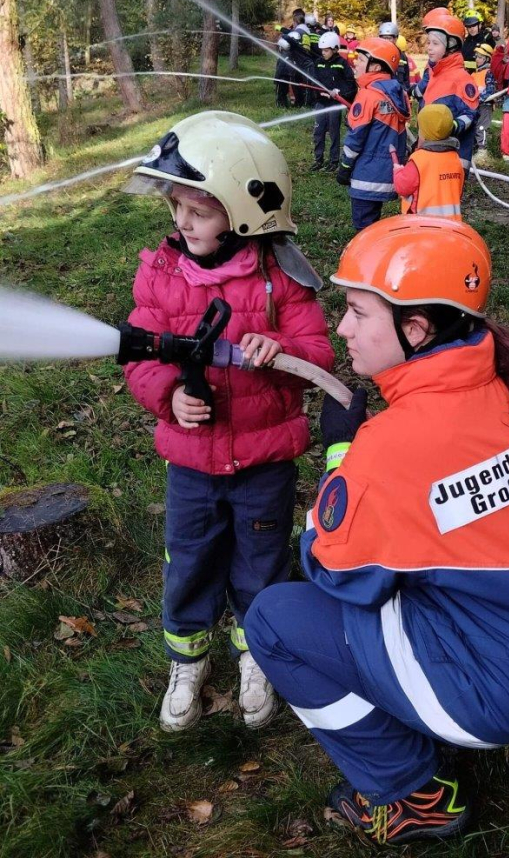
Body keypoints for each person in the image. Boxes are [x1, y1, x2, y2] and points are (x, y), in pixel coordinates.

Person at [244, 215, 509, 847]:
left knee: (274, 621)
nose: (342, 328)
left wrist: (341, 454)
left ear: (415, 329)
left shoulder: (393, 445)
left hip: (499, 691)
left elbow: (332, 566)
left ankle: (414, 795)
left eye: (358, 312)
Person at [121, 111, 335, 734]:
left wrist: (280, 349)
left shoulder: (281, 279)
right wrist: (168, 397)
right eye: (176, 207)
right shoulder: (161, 275)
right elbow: (140, 354)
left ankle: (256, 652)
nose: (182, 221)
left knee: (260, 562)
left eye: (198, 210)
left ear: (245, 212)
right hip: (192, 465)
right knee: (188, 561)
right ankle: (187, 660)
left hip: (264, 464)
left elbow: (319, 356)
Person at [336, 38, 410, 230]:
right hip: (385, 174)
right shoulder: (397, 93)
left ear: (375, 67)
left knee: (364, 229)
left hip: (365, 175)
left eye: (361, 59)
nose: (355, 62)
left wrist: (345, 166)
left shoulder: (368, 96)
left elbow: (355, 138)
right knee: (373, 225)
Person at [418, 9, 479, 172]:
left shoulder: (462, 79)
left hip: (451, 161)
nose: (429, 48)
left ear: (452, 45)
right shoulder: (434, 74)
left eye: (435, 43)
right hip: (429, 154)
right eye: (428, 43)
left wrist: (449, 126)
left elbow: (470, 115)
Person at [290, 30, 358, 172]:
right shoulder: (319, 63)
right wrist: (318, 93)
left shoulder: (342, 64)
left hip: (334, 104)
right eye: (322, 50)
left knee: (334, 132)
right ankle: (318, 159)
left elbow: (350, 84)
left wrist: (339, 92)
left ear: (335, 49)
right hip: (321, 103)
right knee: (318, 131)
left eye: (326, 50)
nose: (323, 53)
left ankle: (333, 161)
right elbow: (314, 81)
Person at [393, 104, 464, 220]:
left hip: (423, 224)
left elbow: (402, 187)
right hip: (451, 224)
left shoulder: (418, 159)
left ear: (424, 133)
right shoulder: (455, 158)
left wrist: (398, 171)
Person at [471, 42, 497, 163]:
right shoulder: (474, 74)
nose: (477, 59)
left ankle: (483, 151)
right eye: (476, 56)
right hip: (474, 106)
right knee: (474, 127)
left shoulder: (488, 73)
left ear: (487, 59)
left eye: (480, 57)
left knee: (482, 127)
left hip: (485, 105)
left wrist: (479, 98)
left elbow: (490, 90)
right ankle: (474, 148)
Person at [378, 21, 411, 92]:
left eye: (389, 38)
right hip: (383, 93)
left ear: (395, 39)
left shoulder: (402, 56)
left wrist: (406, 92)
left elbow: (406, 79)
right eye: (384, 38)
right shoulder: (376, 56)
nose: (386, 41)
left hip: (399, 93)